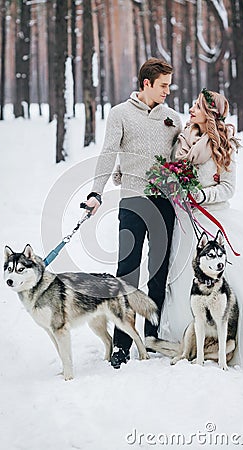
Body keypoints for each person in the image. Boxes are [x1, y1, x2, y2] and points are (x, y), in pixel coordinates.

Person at [159, 88, 243, 369]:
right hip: (185, 223)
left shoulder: (224, 145)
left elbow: (228, 189)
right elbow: (172, 172)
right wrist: (175, 188)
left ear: (210, 113)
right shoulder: (182, 140)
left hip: (214, 220)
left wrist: (201, 196)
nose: (191, 109)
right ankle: (189, 337)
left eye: (197, 106)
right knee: (182, 279)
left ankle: (227, 340)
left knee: (229, 281)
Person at [85, 58, 182, 368]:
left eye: (169, 84)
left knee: (159, 273)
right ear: (146, 85)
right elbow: (107, 154)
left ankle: (152, 337)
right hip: (132, 201)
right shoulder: (121, 114)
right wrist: (96, 191)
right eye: (163, 85)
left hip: (163, 204)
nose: (168, 90)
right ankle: (123, 342)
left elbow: (183, 159)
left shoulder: (173, 119)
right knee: (127, 272)